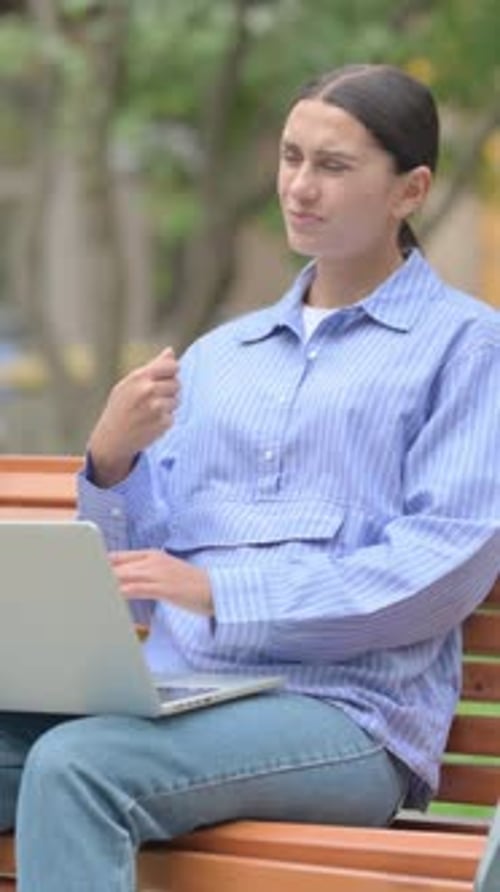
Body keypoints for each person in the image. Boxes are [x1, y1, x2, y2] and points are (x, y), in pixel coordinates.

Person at [1, 63, 499, 892]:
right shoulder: (221, 358)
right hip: (170, 703)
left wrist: (219, 590)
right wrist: (115, 463)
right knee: (66, 753)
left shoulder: (467, 348)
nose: (300, 188)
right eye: (289, 157)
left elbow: (437, 571)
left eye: (333, 167)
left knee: (81, 767)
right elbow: (134, 591)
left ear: (410, 190)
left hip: (348, 722)